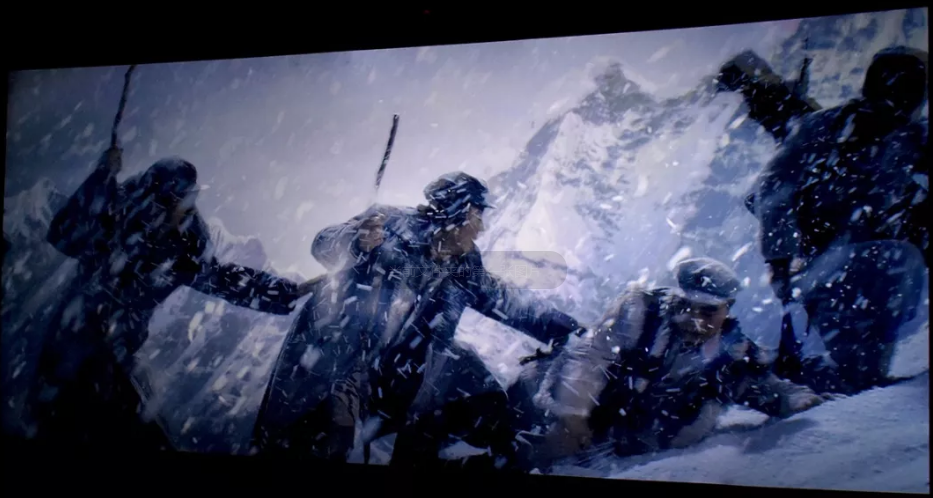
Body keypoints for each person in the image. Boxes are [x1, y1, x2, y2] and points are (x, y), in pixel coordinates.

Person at [252, 172, 583, 469]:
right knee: (309, 446)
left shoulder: (464, 264)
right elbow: (323, 243)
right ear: (456, 213)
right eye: (476, 216)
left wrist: (573, 332)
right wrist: (355, 240)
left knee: (479, 394)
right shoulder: (388, 224)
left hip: (396, 379)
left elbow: (508, 302)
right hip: (335, 362)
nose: (481, 228)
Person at [27, 146, 316, 452]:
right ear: (158, 200)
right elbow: (64, 236)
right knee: (63, 420)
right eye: (181, 200)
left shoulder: (186, 246)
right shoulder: (115, 212)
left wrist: (287, 291)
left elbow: (223, 279)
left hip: (118, 347)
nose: (188, 209)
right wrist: (102, 177)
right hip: (73, 336)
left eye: (191, 198)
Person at [720, 46, 929, 394]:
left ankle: (843, 375)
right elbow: (774, 190)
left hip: (858, 258)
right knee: (896, 261)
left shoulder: (912, 139)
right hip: (819, 263)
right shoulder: (825, 127)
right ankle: (846, 378)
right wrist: (782, 262)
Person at [524, 258, 830, 471]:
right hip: (592, 413)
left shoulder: (732, 356)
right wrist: (573, 415)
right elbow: (590, 357)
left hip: (637, 441)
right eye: (687, 306)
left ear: (727, 309)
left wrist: (797, 401)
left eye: (708, 312)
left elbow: (767, 388)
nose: (694, 320)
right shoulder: (641, 312)